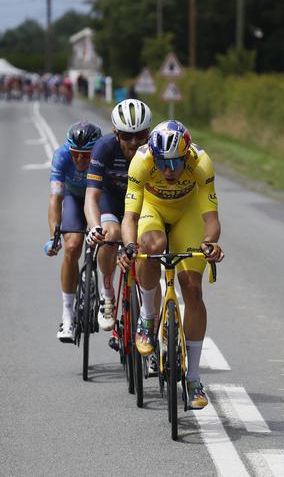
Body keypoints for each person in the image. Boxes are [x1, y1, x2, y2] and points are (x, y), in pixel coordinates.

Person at [117, 120, 224, 410]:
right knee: (151, 248)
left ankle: (193, 378)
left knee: (192, 289)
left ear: (186, 155)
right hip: (152, 210)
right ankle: (148, 317)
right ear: (154, 156)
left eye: (176, 162)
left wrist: (209, 244)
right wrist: (129, 246)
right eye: (164, 163)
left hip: (187, 214)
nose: (169, 171)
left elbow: (210, 220)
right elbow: (129, 218)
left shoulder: (201, 163)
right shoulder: (140, 162)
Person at [83, 99, 152, 332]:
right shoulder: (104, 148)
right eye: (126, 136)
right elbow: (92, 195)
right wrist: (94, 228)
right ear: (115, 134)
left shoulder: (155, 149)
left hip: (141, 203)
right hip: (111, 199)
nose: (134, 143)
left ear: (149, 133)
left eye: (140, 135)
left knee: (147, 244)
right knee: (110, 234)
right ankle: (107, 292)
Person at [44, 121, 103, 342]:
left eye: (86, 155)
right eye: (76, 153)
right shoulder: (61, 156)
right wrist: (54, 235)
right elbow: (55, 198)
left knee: (109, 242)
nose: (79, 159)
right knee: (72, 246)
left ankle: (108, 299)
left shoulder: (103, 155)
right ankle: (67, 316)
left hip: (99, 197)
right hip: (73, 199)